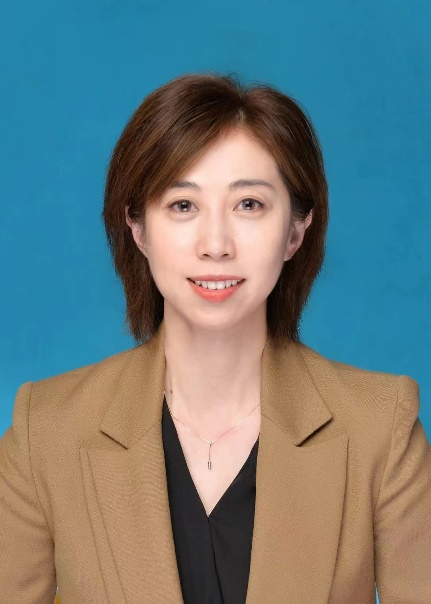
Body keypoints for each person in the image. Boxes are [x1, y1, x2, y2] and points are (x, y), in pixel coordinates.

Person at [0, 73, 430, 604]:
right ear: (138, 228)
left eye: (249, 204)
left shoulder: (381, 429)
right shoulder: (46, 432)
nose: (216, 244)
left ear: (296, 230)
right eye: (183, 205)